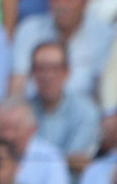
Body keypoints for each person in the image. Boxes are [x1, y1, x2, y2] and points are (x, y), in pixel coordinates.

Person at [10, 0, 114, 100]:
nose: (62, 5)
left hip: (85, 112)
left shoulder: (105, 36)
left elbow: (106, 89)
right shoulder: (29, 30)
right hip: (32, 109)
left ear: (86, 1)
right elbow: (17, 82)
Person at [27, 40, 101, 170]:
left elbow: (78, 160)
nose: (48, 76)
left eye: (55, 68)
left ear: (67, 72)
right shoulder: (22, 111)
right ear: (32, 73)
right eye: (41, 69)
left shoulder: (85, 111)